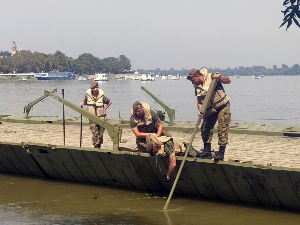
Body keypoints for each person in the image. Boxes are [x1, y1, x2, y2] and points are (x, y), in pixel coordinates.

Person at [187, 68, 231, 161]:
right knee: (205, 128)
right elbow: (199, 101)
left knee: (222, 128)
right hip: (210, 109)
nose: (192, 82)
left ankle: (221, 153)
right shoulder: (197, 86)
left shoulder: (212, 77)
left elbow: (228, 80)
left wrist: (219, 78)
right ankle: (207, 151)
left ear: (198, 76)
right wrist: (200, 110)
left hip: (222, 106)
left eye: (192, 79)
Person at [80, 81, 112, 148]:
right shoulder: (88, 96)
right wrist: (82, 103)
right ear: (92, 89)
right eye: (94, 88)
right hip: (92, 118)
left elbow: (109, 102)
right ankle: (96, 146)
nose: (96, 89)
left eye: (97, 87)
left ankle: (98, 145)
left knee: (100, 134)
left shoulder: (102, 97)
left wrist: (105, 108)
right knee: (95, 133)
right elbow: (85, 102)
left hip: (101, 118)